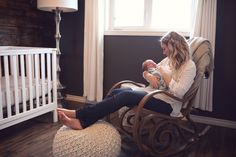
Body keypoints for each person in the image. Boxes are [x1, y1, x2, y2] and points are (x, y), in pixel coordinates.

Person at [57, 31, 196, 130]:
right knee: (118, 90)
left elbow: (178, 92)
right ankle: (88, 119)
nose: (163, 52)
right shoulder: (168, 60)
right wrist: (148, 76)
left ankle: (81, 118)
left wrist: (164, 73)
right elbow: (152, 70)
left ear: (174, 48)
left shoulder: (189, 66)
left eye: (165, 49)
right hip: (153, 92)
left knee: (126, 95)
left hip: (168, 104)